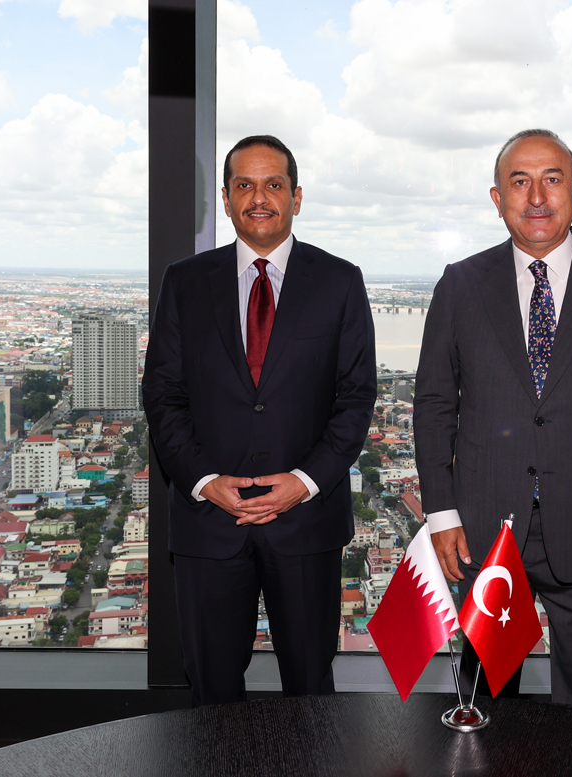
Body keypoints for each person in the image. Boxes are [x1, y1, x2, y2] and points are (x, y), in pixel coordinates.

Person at [414, 129, 572, 711]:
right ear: (496, 197)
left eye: (552, 179)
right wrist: (442, 512)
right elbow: (433, 405)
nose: (536, 196)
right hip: (484, 529)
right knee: (485, 703)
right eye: (519, 181)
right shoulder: (460, 283)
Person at [143, 135, 377, 706]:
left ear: (297, 196)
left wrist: (304, 482)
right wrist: (202, 482)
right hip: (209, 523)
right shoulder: (184, 281)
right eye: (244, 185)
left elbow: (356, 397)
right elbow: (163, 394)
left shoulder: (340, 281)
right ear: (225, 199)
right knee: (212, 691)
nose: (259, 197)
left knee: (310, 690)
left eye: (273, 184)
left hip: (307, 522)